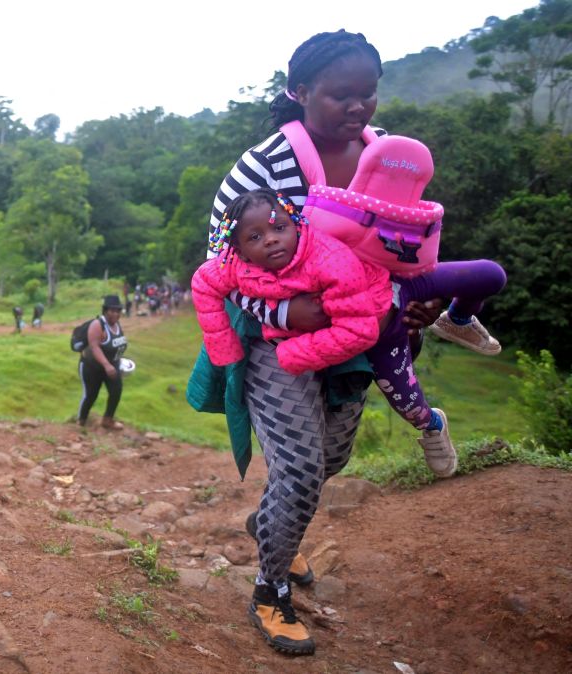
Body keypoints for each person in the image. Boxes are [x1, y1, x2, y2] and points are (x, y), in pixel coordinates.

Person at [200, 30, 450, 657]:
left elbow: (406, 243)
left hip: (356, 332)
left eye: (368, 94)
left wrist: (415, 296)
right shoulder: (263, 167)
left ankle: (270, 523)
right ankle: (269, 588)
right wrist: (288, 307)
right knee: (303, 469)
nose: (358, 108)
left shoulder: (388, 159)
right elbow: (219, 264)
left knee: (332, 457)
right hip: (276, 340)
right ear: (300, 91)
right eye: (342, 96)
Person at [194, 188, 504, 472]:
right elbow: (204, 282)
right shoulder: (233, 266)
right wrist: (225, 351)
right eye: (255, 237)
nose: (271, 239)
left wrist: (291, 354)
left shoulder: (328, 259)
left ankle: (458, 319)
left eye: (279, 227)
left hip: (400, 286)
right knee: (410, 407)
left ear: (296, 224)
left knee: (491, 276)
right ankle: (433, 424)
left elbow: (358, 331)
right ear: (239, 250)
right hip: (385, 330)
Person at [77, 295, 128, 429]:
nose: (115, 314)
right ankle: (81, 421)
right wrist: (106, 365)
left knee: (116, 391)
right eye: (112, 310)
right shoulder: (98, 324)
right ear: (105, 311)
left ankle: (108, 419)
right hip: (91, 367)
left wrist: (119, 362)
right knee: (91, 395)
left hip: (112, 365)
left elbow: (116, 345)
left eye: (118, 311)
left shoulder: (117, 325)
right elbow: (94, 347)